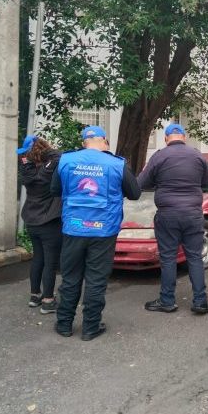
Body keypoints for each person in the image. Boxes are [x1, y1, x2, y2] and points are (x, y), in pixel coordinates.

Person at [51, 126, 141, 341]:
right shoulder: (117, 164)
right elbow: (135, 193)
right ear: (104, 142)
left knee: (71, 277)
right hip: (103, 229)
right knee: (96, 279)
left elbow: (54, 190)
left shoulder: (66, 161)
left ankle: (64, 324)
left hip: (73, 227)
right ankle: (91, 327)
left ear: (84, 143)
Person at [139, 123, 208, 314]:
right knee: (195, 257)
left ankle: (167, 300)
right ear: (184, 137)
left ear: (166, 138)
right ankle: (200, 301)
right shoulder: (198, 155)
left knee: (168, 258)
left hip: (168, 214)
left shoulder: (159, 156)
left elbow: (141, 183)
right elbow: (207, 182)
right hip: (192, 214)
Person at [18, 135, 63, 314]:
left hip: (31, 220)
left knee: (38, 258)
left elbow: (29, 161)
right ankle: (48, 300)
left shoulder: (27, 169)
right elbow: (58, 156)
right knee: (50, 262)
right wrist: (45, 149)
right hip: (49, 221)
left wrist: (29, 156)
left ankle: (34, 295)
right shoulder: (48, 170)